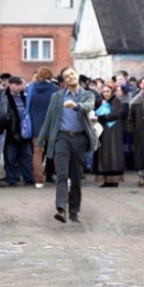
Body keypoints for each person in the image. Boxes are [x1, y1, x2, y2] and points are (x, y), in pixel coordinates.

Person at [37, 66, 98, 224]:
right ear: (64, 81)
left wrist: (76, 106)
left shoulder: (87, 94)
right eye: (67, 76)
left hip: (79, 139)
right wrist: (41, 140)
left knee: (76, 176)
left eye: (72, 74)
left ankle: (74, 211)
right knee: (62, 173)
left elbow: (89, 106)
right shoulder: (57, 96)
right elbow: (49, 119)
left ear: (77, 75)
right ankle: (61, 208)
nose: (70, 77)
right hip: (62, 138)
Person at [28, 67, 59, 188]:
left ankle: (38, 180)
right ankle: (62, 178)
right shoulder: (54, 90)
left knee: (37, 153)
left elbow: (28, 108)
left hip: (36, 125)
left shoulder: (31, 89)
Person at [92, 83, 125, 187]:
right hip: (103, 130)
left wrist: (101, 118)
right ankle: (106, 179)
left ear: (112, 92)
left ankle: (114, 180)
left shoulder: (116, 101)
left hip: (113, 130)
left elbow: (116, 114)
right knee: (104, 154)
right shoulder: (100, 101)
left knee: (113, 154)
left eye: (108, 91)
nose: (106, 93)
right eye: (104, 91)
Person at [4, 76, 34, 186]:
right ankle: (11, 179)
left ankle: (28, 178)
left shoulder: (24, 97)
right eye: (15, 85)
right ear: (10, 85)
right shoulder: (5, 98)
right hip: (11, 131)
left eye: (19, 85)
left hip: (24, 131)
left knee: (27, 156)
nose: (17, 87)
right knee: (11, 157)